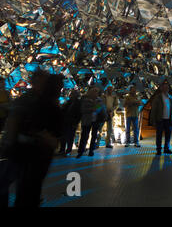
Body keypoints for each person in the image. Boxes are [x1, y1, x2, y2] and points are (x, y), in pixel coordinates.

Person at [0, 70, 64, 207]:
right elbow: (13, 123)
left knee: (24, 189)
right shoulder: (34, 102)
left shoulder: (41, 102)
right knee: (20, 189)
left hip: (30, 156)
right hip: (24, 155)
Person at [150, 80, 172, 155]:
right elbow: (154, 109)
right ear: (161, 88)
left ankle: (166, 148)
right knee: (159, 135)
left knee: (168, 135)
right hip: (160, 119)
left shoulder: (171, 98)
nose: (166, 89)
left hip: (168, 119)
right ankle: (159, 149)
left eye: (167, 88)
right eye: (164, 87)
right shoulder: (158, 97)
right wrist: (153, 119)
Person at [77, 87, 100, 158]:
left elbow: (99, 108)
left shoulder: (99, 100)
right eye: (94, 92)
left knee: (94, 136)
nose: (96, 93)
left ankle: (91, 150)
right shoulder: (84, 99)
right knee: (84, 136)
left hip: (95, 120)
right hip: (87, 120)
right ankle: (81, 151)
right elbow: (83, 109)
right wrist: (92, 109)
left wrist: (96, 108)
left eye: (96, 92)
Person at [59, 90, 82, 156]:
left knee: (70, 137)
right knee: (64, 136)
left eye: (72, 94)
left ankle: (68, 150)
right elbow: (64, 110)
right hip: (66, 121)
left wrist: (76, 122)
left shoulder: (78, 103)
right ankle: (62, 149)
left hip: (73, 122)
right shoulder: (68, 101)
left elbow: (79, 114)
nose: (70, 95)